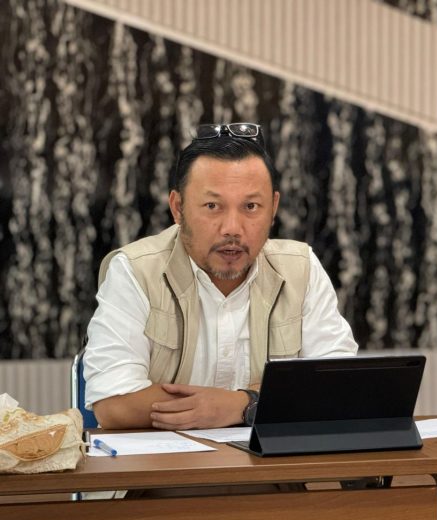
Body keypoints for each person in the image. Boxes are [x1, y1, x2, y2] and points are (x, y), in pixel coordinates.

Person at [84, 123, 358, 430]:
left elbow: (340, 387)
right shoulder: (135, 270)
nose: (232, 228)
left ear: (274, 208)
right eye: (212, 206)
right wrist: (275, 397)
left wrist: (242, 404)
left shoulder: (300, 268)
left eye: (251, 207)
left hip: (269, 475)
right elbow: (115, 404)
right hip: (164, 473)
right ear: (178, 208)